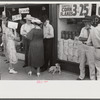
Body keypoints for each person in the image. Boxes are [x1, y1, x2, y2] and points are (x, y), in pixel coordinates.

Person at [77, 16, 96, 80]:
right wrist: (88, 39)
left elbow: (95, 39)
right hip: (83, 46)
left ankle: (92, 77)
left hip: (91, 47)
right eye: (85, 22)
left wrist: (85, 39)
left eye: (87, 22)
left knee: (91, 62)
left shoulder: (94, 29)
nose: (85, 23)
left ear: (91, 22)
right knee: (82, 62)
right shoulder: (83, 29)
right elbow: (80, 38)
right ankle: (81, 76)